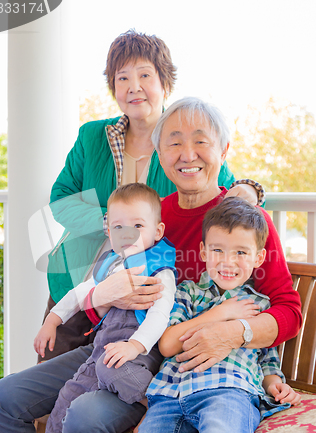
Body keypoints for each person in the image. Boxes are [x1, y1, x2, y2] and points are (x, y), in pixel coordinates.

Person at [0, 98, 301, 433]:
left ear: (223, 151)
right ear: (159, 154)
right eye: (173, 142)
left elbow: (288, 310)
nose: (187, 154)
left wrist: (235, 332)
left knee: (83, 415)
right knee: (2, 398)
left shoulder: (240, 223)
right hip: (112, 345)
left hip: (158, 366)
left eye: (201, 141)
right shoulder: (150, 216)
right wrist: (102, 294)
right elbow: (104, 276)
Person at [44, 29, 262, 360]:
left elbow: (226, 190)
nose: (134, 87)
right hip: (82, 280)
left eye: (145, 75)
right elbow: (61, 198)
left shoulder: (181, 140)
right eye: (122, 78)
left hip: (145, 295)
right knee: (46, 386)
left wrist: (252, 189)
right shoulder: (91, 138)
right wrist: (111, 222)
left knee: (105, 381)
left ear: (165, 82)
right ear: (113, 87)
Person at [116, 197, 301, 433]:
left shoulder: (258, 306)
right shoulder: (186, 293)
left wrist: (275, 384)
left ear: (258, 257)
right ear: (203, 251)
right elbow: (167, 344)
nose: (228, 262)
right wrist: (219, 313)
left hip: (229, 392)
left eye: (241, 252)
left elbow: (268, 360)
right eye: (217, 250)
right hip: (169, 397)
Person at [7, 183, 176, 433]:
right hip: (101, 351)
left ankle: (155, 402)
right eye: (119, 227)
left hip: (138, 353)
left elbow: (160, 315)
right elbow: (78, 294)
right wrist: (52, 321)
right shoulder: (110, 265)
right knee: (68, 394)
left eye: (138, 226)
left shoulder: (159, 270)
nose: (128, 234)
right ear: (108, 231)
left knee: (112, 369)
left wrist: (134, 345)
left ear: (157, 230)